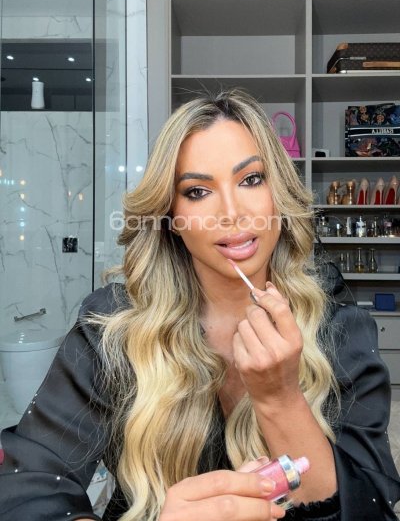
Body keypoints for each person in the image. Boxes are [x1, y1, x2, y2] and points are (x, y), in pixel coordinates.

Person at [0, 88, 399, 521]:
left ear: (278, 194)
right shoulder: (111, 327)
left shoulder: (341, 328)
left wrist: (281, 400)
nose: (232, 212)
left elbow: (371, 509)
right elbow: (27, 481)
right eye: (197, 191)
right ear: (171, 218)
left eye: (251, 180)